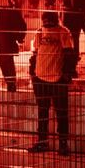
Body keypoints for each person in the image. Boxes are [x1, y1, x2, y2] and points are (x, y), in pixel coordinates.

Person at [26, 10, 75, 154]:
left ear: (56, 20)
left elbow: (69, 54)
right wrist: (32, 73)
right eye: (45, 20)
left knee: (61, 113)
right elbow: (35, 54)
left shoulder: (63, 32)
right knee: (42, 112)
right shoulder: (39, 32)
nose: (47, 23)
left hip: (58, 79)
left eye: (49, 20)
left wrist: (66, 74)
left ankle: (63, 144)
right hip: (40, 78)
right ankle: (42, 143)